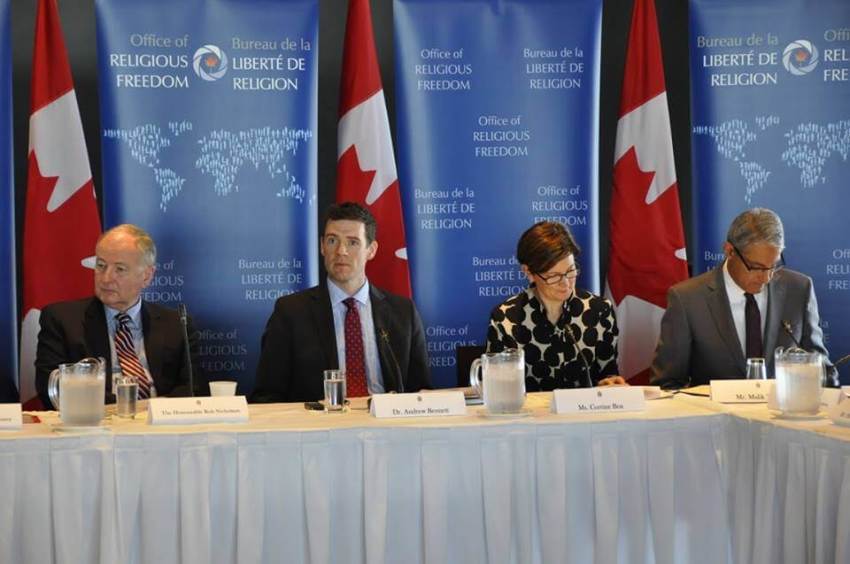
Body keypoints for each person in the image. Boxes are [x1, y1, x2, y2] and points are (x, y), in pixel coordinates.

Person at [251, 202, 431, 402]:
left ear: (371, 250)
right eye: (332, 240)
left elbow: (421, 394)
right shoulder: (290, 313)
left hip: (387, 426)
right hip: (319, 427)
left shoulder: (403, 312)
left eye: (353, 242)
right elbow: (267, 396)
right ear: (322, 246)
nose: (341, 251)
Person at [651, 208, 838, 388]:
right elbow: (667, 384)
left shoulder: (799, 289)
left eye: (773, 266)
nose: (766, 278)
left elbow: (821, 368)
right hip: (715, 418)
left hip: (784, 416)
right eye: (756, 267)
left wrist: (826, 377)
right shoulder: (687, 299)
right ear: (729, 251)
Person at [35, 224, 205, 406]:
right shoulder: (63, 320)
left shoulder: (176, 324)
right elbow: (51, 386)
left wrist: (153, 411)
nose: (106, 278)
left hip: (161, 428)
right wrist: (129, 408)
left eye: (120, 269)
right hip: (96, 426)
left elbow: (193, 387)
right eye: (101, 265)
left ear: (147, 276)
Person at [486, 221, 624, 390]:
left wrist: (611, 384)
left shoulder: (599, 311)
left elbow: (608, 375)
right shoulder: (506, 319)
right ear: (529, 273)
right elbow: (498, 391)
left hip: (584, 414)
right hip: (529, 415)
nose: (565, 283)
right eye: (554, 276)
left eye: (571, 271)